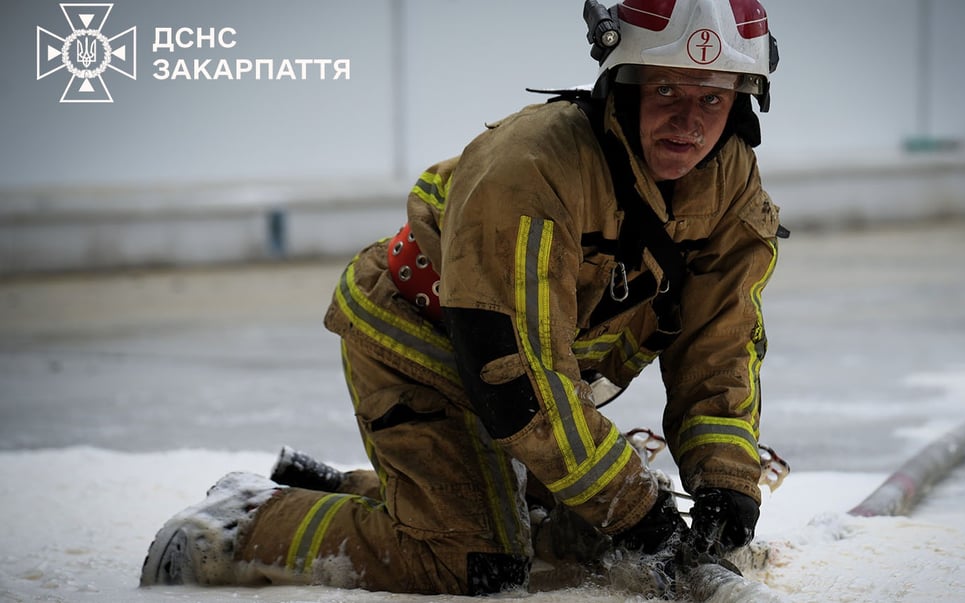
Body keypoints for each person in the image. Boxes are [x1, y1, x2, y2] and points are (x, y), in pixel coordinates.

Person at [140, 0, 786, 596]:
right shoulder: (532, 168)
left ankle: (368, 491)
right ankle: (244, 519)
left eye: (712, 97)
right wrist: (638, 509)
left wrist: (726, 482)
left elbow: (720, 343)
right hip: (422, 341)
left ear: (740, 104)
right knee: (479, 559)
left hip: (529, 371)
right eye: (666, 89)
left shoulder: (729, 181)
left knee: (576, 535)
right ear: (622, 85)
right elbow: (517, 376)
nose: (689, 120)